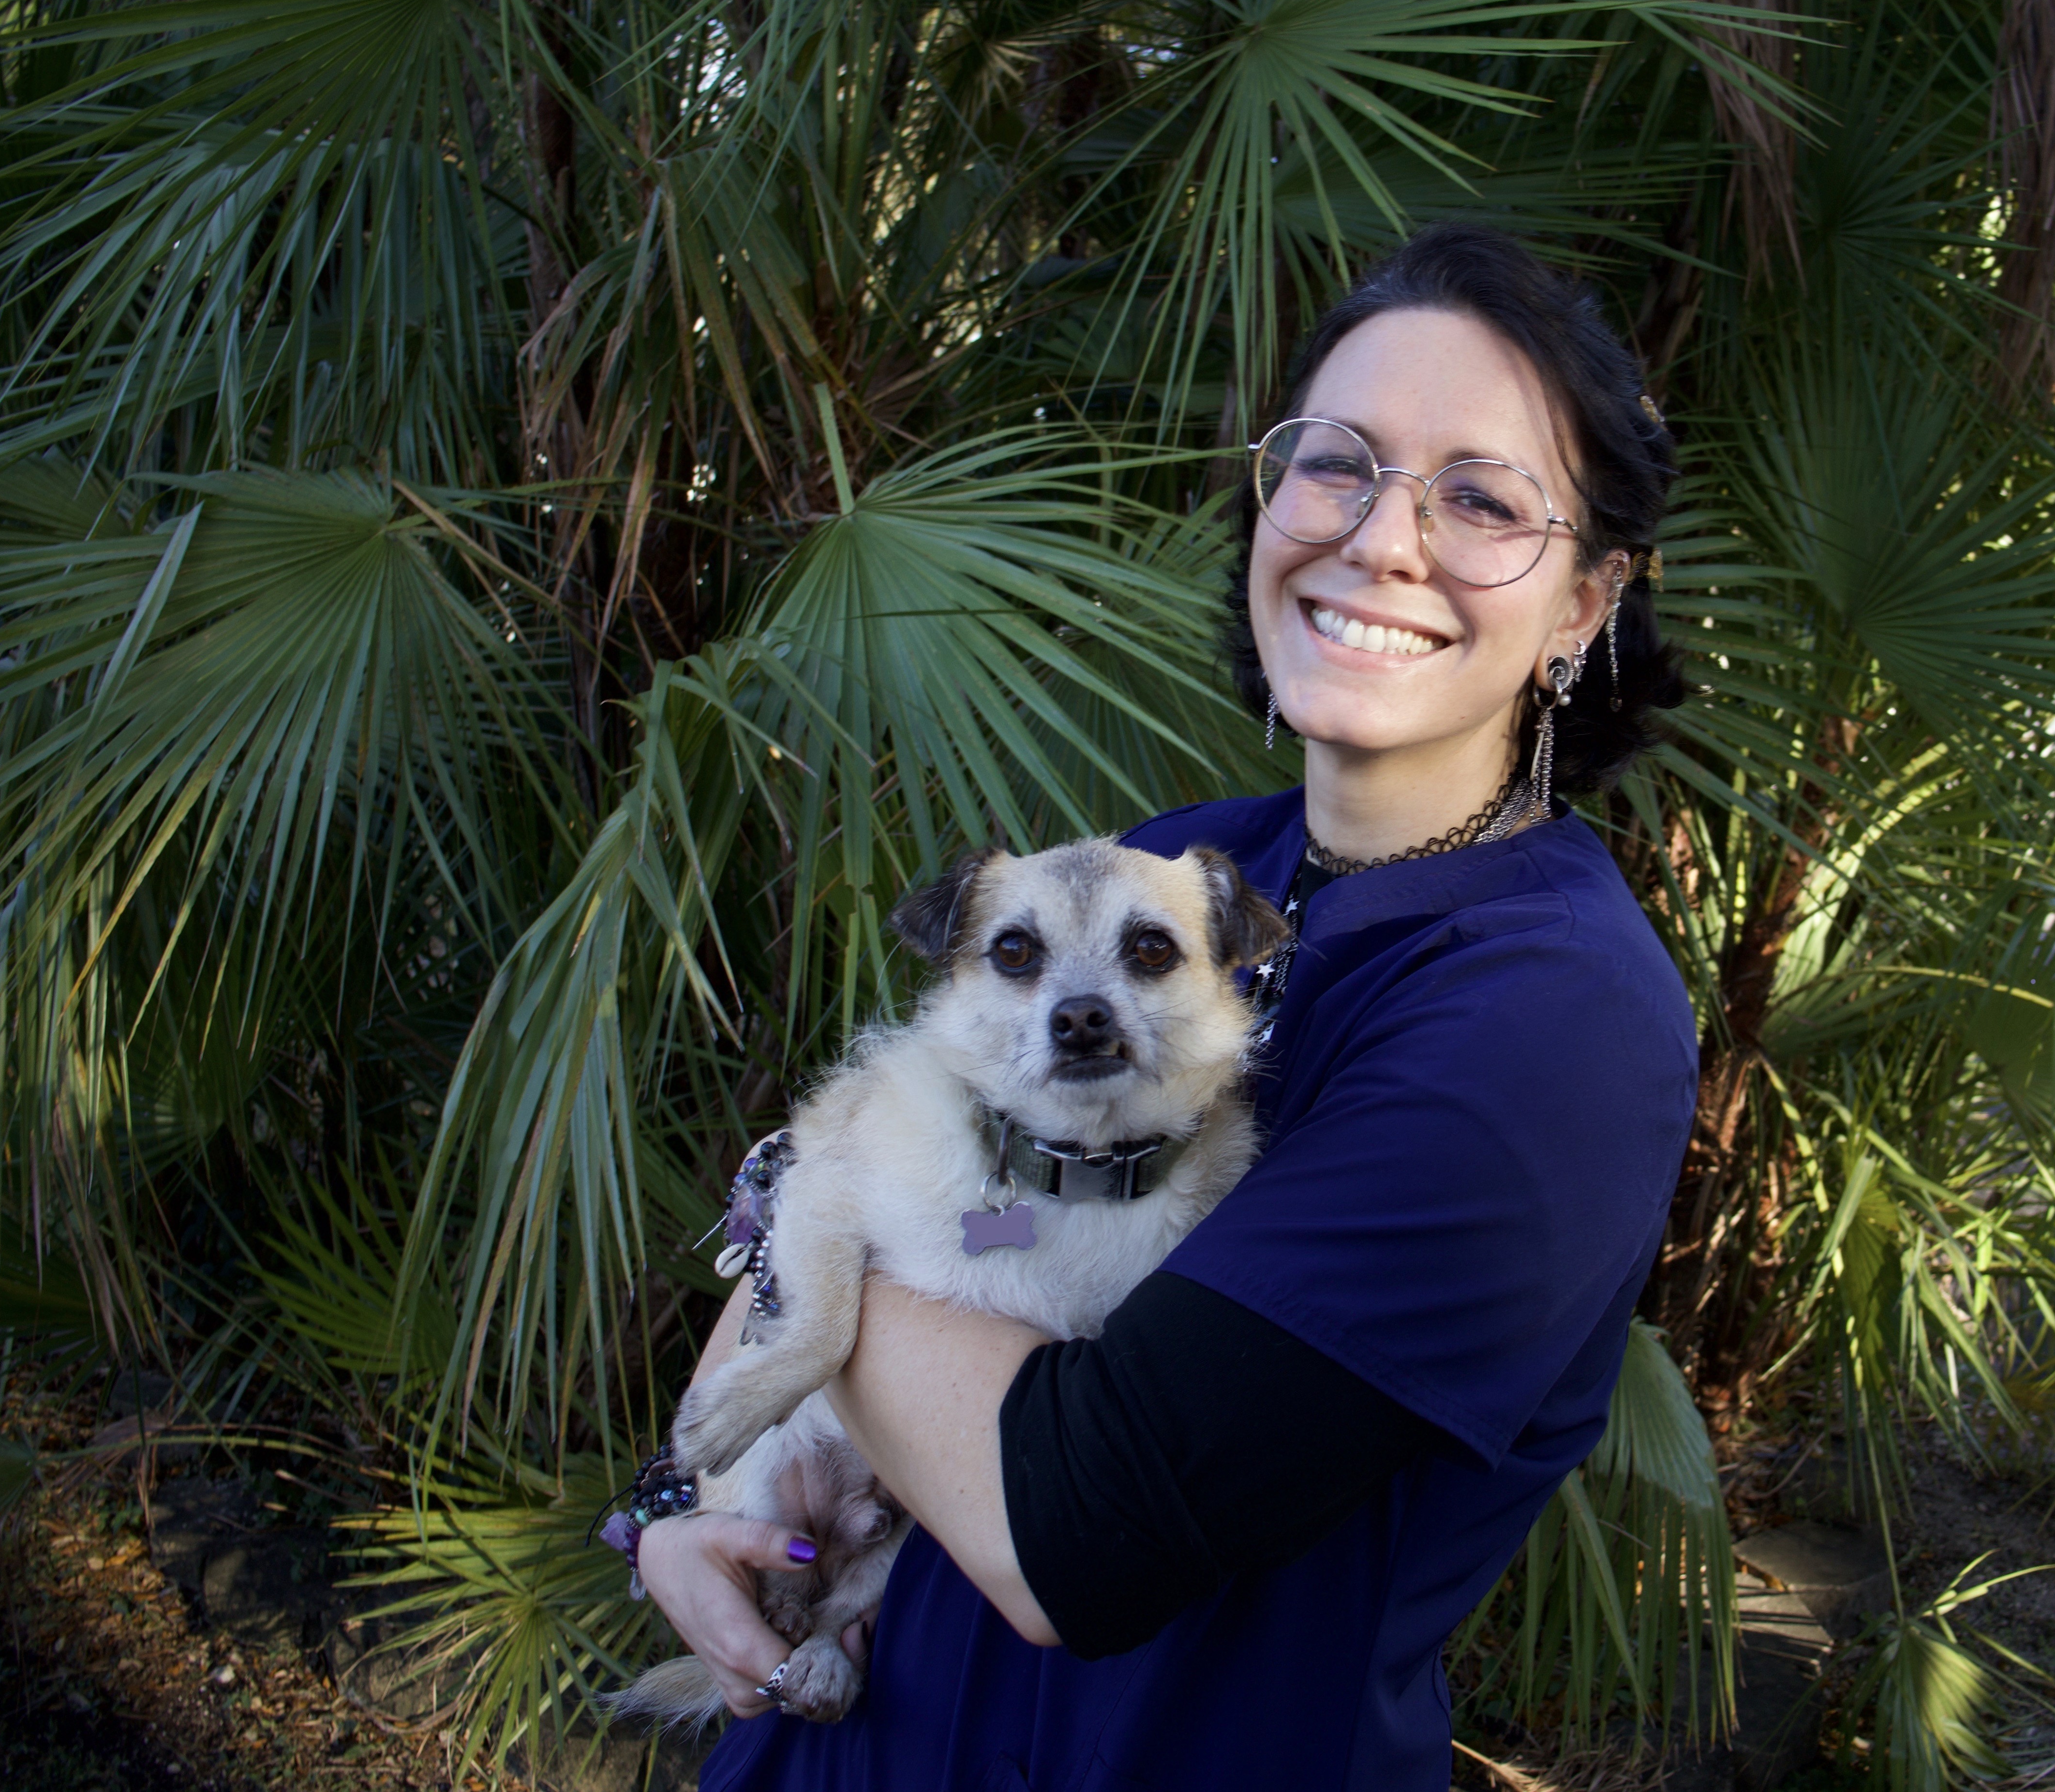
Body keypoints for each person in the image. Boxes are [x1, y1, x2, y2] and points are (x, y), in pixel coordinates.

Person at [633, 223, 1698, 1791]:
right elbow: (916, 1167)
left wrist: (826, 1219)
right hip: (854, 1723)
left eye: (1479, 500)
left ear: (1586, 604)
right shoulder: (1194, 872)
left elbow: (1071, 1527)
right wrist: (683, 1503)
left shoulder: (1557, 1024)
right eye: (1337, 464)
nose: (1385, 540)